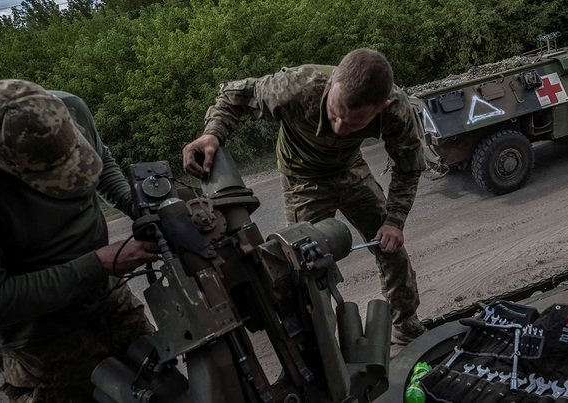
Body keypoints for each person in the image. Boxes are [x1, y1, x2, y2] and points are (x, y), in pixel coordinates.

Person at [183, 48, 427, 344]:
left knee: (391, 247)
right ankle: (324, 352)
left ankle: (406, 326)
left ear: (381, 107)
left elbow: (409, 167)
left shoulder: (395, 110)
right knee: (306, 270)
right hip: (303, 180)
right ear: (334, 79)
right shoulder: (297, 86)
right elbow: (232, 96)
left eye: (353, 124)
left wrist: (395, 220)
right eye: (335, 114)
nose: (339, 128)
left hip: (351, 170)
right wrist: (213, 133)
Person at [0, 79, 158, 402]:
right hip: (46, 346)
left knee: (158, 387)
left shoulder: (68, 108)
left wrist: (137, 206)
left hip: (112, 304)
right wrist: (98, 263)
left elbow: (102, 165)